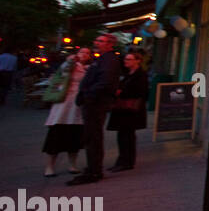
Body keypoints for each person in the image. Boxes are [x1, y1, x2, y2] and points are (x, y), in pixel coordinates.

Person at [69, 34, 122, 186]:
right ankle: (92, 168)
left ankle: (94, 170)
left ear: (109, 44)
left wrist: (88, 96)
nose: (96, 43)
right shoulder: (102, 59)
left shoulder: (109, 61)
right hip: (93, 102)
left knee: (93, 137)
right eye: (96, 40)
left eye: (100, 41)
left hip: (97, 103)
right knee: (91, 136)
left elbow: (105, 82)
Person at [42, 47, 91, 177]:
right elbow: (63, 70)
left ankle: (72, 164)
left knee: (75, 135)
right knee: (56, 134)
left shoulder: (88, 68)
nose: (84, 55)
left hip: (78, 105)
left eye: (87, 53)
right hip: (65, 102)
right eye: (82, 52)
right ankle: (50, 166)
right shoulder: (71, 64)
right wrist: (70, 61)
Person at [107, 49, 150, 172]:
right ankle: (122, 160)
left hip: (130, 109)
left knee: (128, 136)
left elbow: (141, 92)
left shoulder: (140, 75)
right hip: (123, 109)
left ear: (138, 61)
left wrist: (122, 92)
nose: (126, 61)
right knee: (123, 135)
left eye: (130, 59)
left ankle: (127, 161)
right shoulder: (127, 74)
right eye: (126, 59)